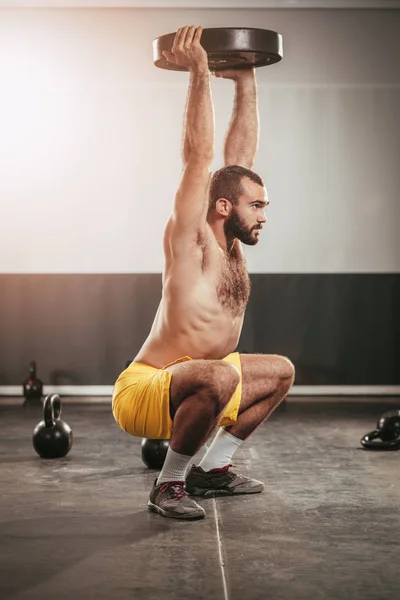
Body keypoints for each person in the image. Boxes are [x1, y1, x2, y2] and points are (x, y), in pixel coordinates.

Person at [112, 25, 295, 520]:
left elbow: (238, 160)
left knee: (280, 371)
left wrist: (246, 81)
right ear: (222, 206)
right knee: (217, 374)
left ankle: (211, 470)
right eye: (256, 205)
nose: (263, 214)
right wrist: (198, 73)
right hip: (146, 388)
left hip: (208, 381)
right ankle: (167, 485)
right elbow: (198, 157)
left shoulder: (231, 243)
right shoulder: (191, 241)